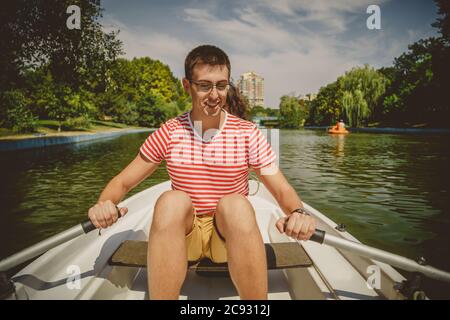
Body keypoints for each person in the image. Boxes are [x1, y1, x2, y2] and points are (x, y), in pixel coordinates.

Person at [87, 44, 316, 300]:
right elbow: (122, 182)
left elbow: (282, 189)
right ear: (187, 86)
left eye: (221, 85)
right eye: (204, 85)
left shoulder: (248, 133)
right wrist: (104, 204)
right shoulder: (169, 131)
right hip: (185, 239)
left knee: (235, 205)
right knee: (171, 200)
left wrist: (299, 213)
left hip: (227, 238)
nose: (215, 94)